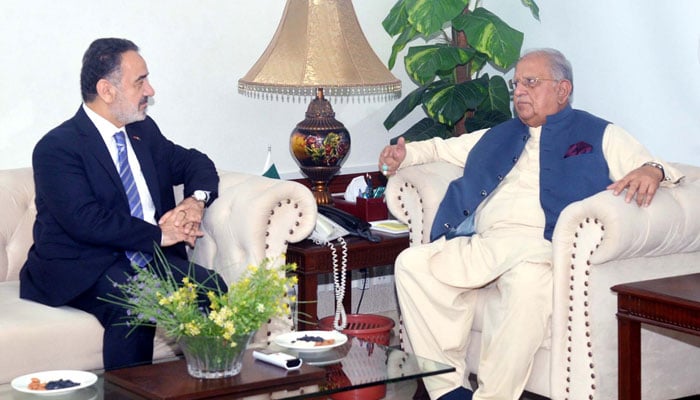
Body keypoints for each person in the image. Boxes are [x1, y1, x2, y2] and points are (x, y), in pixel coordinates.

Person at [378, 48, 683, 400]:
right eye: (516, 83)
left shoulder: (598, 133)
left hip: (543, 246)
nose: (519, 91)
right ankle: (447, 391)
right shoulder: (498, 134)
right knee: (413, 265)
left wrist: (653, 170)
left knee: (529, 284)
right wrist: (404, 155)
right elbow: (440, 150)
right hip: (489, 242)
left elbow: (652, 164)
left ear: (562, 90)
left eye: (531, 82)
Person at [19, 38, 225, 370]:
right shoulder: (58, 147)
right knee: (136, 301)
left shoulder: (142, 131)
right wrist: (161, 235)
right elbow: (85, 219)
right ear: (107, 89)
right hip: (84, 263)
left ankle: (207, 382)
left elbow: (194, 162)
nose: (151, 90)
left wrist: (195, 201)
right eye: (140, 81)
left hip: (146, 257)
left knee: (211, 287)